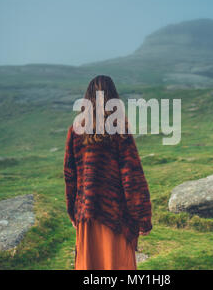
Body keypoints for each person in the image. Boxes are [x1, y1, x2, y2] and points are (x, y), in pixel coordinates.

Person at [63, 75, 152, 270]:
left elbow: (70, 176)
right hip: (115, 217)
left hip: (86, 214)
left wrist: (73, 212)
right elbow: (132, 177)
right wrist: (142, 217)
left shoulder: (76, 131)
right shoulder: (119, 129)